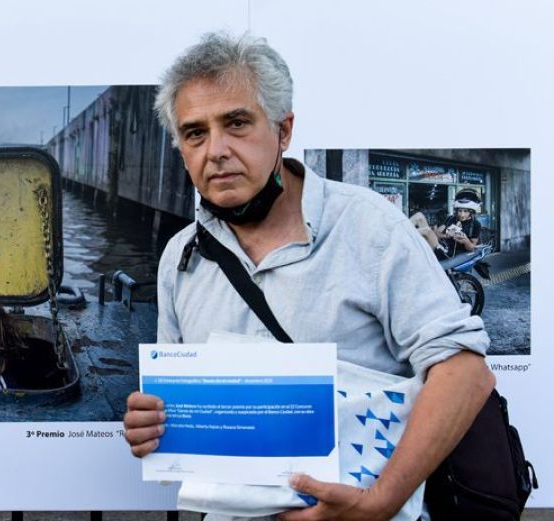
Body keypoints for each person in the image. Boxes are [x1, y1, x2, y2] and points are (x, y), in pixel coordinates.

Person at [123, 32, 494, 520]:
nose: (216, 150)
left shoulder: (369, 228)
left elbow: (464, 371)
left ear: (284, 130)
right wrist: (152, 422)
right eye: (195, 133)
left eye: (237, 123)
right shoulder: (180, 257)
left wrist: (377, 504)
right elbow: (177, 403)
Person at [434, 189, 482, 259]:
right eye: (460, 211)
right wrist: (446, 236)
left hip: (462, 256)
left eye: (465, 211)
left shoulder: (476, 224)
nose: (462, 215)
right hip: (446, 251)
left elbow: (471, 248)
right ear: (456, 210)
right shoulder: (451, 219)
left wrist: (466, 241)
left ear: (471, 212)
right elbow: (436, 233)